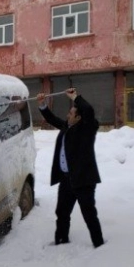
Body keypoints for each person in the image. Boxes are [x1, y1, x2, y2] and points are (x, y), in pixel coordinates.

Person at [37, 87, 105, 248]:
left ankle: (99, 244)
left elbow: (88, 109)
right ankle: (61, 241)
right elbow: (52, 119)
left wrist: (75, 97)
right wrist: (42, 105)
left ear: (79, 117)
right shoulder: (68, 126)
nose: (67, 115)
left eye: (71, 113)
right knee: (62, 213)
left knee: (89, 214)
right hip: (67, 180)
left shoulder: (87, 129)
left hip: (83, 181)